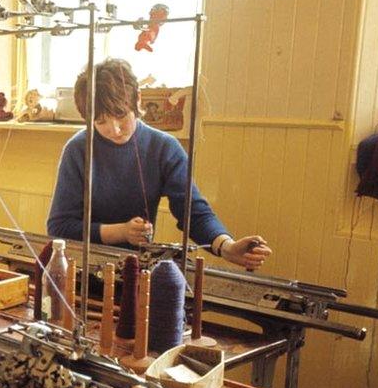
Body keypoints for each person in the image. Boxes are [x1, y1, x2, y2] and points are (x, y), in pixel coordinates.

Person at [47, 59, 272, 270]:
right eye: (101, 121)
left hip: (136, 270)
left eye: (121, 115)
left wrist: (227, 247)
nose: (114, 129)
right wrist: (121, 232)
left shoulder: (164, 148)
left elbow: (193, 212)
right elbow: (59, 227)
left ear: (138, 100)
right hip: (81, 270)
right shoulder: (77, 150)